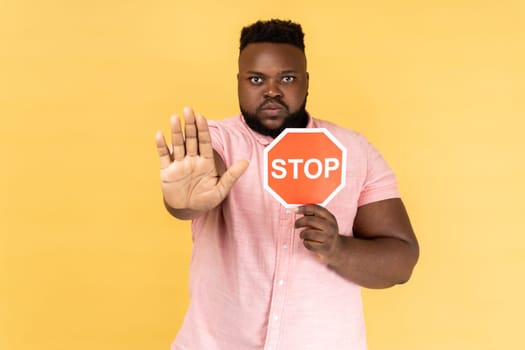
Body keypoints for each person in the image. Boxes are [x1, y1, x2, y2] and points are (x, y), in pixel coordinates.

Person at [155, 19, 419, 350]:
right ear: (238, 83)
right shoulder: (218, 142)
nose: (271, 91)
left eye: (287, 78)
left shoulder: (355, 152)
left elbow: (401, 260)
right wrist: (184, 201)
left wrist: (338, 248)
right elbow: (200, 184)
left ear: (306, 83)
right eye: (256, 79)